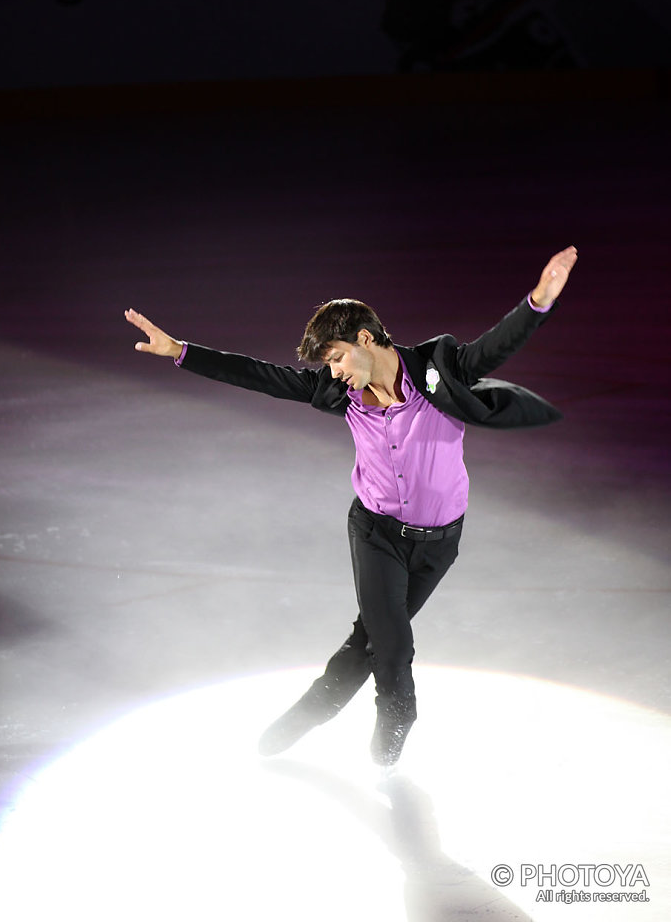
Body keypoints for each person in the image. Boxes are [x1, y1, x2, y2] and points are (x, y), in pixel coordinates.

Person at [125, 245, 577, 766]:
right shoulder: (339, 393)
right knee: (391, 645)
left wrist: (540, 299)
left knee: (369, 641)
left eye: (337, 357)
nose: (334, 371)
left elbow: (492, 350)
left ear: (366, 338)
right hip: (375, 533)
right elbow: (258, 375)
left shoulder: (439, 370)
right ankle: (398, 717)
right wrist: (180, 350)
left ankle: (307, 713)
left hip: (438, 542)